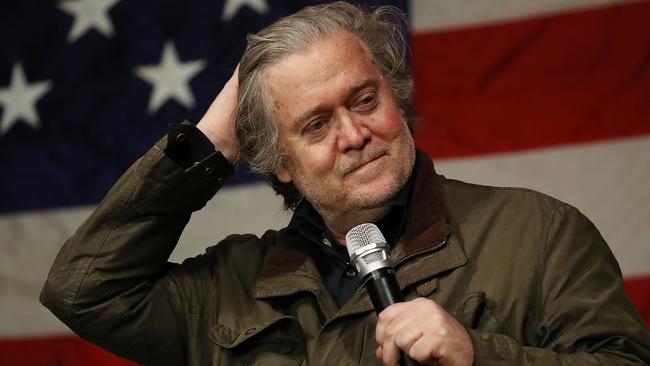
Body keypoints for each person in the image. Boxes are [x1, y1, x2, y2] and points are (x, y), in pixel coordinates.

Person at [41, 2, 650, 365]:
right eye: (315, 124)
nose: (354, 134)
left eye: (364, 99)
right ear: (278, 161)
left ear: (396, 96)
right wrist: (212, 144)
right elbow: (85, 291)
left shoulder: (537, 233)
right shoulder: (229, 286)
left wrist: (479, 354)